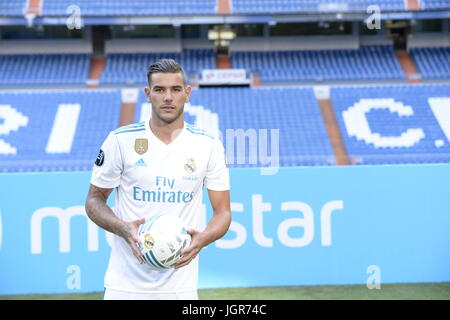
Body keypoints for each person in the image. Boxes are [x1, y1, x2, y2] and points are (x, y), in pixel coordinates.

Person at [85, 58, 231, 300]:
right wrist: (123, 229)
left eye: (175, 89)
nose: (167, 97)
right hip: (124, 287)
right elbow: (94, 200)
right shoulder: (120, 141)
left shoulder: (209, 145)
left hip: (180, 289)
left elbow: (223, 212)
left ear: (187, 93)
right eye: (159, 89)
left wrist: (202, 240)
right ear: (147, 93)